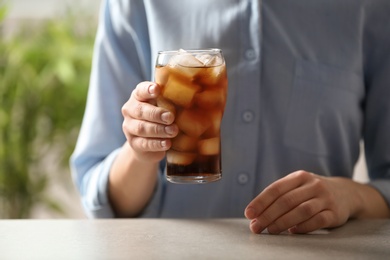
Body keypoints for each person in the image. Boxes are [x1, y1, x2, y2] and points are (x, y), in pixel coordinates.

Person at [70, 0, 390, 234]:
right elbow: (101, 201)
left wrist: (353, 195)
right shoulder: (135, 5)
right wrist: (139, 152)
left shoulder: (370, 8)